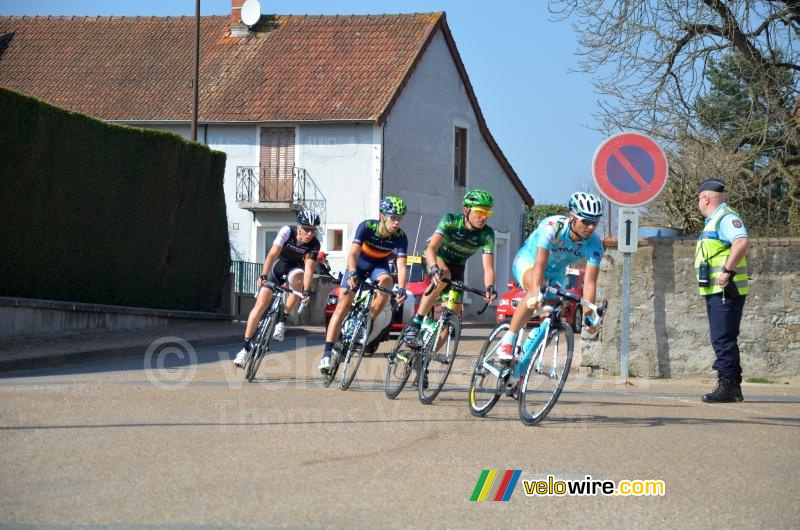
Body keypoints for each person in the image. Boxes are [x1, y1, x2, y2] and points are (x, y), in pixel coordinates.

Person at [496, 192, 605, 365]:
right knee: (535, 291)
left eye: (595, 222)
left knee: (551, 321)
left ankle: (524, 362)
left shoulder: (595, 244)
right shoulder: (553, 227)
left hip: (556, 273)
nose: (591, 227)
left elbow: (590, 282)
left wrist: (588, 316)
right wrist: (536, 293)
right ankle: (508, 341)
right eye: (586, 221)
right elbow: (540, 264)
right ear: (571, 216)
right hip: (529, 262)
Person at [318, 196, 409, 372]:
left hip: (378, 267)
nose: (396, 223)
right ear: (383, 216)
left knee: (388, 282)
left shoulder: (400, 237)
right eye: (393, 218)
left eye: (400, 219)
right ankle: (327, 353)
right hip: (357, 266)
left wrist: (403, 287)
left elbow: (402, 265)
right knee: (342, 306)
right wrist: (352, 273)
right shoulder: (367, 227)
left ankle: (366, 321)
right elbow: (352, 255)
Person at [402, 189, 498, 346]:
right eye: (480, 211)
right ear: (466, 210)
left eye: (488, 213)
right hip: (435, 257)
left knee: (453, 314)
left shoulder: (487, 234)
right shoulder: (451, 221)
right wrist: (433, 268)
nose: (484, 217)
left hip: (458, 267)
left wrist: (490, 287)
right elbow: (431, 248)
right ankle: (416, 323)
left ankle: (424, 356)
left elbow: (488, 268)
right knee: (443, 275)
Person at [233, 210, 321, 367]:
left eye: (313, 230)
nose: (310, 233)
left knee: (299, 282)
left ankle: (282, 320)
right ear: (299, 227)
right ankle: (245, 349)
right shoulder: (287, 231)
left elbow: (309, 268)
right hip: (279, 267)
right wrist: (263, 276)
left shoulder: (315, 244)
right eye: (307, 229)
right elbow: (272, 255)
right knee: (260, 306)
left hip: (296, 270)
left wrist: (306, 291)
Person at [695, 178, 749, 403]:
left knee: (722, 338)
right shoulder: (714, 220)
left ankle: (727, 385)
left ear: (705, 198)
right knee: (725, 337)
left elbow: (741, 242)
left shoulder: (726, 218)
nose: (698, 203)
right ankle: (733, 386)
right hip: (717, 290)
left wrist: (727, 271)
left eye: (699, 199)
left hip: (725, 289)